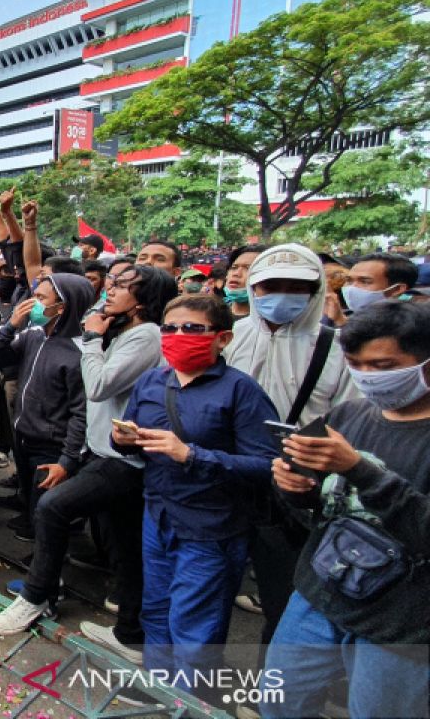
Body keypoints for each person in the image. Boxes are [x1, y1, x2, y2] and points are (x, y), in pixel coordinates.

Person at [264, 301, 430, 719]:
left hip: (402, 623)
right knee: (280, 700)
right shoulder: (349, 414)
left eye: (384, 365)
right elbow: (322, 511)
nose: (368, 377)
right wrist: (295, 490)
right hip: (320, 595)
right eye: (356, 364)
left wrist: (360, 469)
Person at [112, 294, 279, 683]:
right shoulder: (152, 381)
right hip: (158, 514)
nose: (178, 336)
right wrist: (125, 439)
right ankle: (161, 691)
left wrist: (191, 455)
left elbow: (267, 464)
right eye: (170, 328)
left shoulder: (241, 391)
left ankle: (191, 701)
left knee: (195, 628)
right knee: (156, 611)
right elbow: (136, 439)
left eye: (192, 328)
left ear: (222, 338)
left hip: (212, 527)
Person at [223, 244, 359, 648]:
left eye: (294, 287)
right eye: (269, 286)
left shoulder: (336, 348)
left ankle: (271, 691)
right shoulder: (234, 335)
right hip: (226, 472)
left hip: (291, 485)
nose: (280, 296)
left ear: (316, 290)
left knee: (281, 593)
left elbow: (350, 423)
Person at [65, 267, 177, 660]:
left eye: (122, 288)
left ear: (143, 302)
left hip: (120, 459)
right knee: (121, 545)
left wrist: (94, 338)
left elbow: (98, 386)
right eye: (111, 285)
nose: (109, 292)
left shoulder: (146, 337)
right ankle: (130, 626)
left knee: (62, 511)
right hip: (103, 448)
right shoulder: (128, 332)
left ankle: (132, 631)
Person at [0, 273, 93, 544]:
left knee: (46, 511)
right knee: (31, 499)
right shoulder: (33, 336)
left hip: (50, 445)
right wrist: (9, 326)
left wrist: (67, 460)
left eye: (41, 298)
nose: (33, 303)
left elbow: (81, 413)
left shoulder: (78, 353)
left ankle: (45, 574)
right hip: (24, 434)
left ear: (63, 307)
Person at [341, 251, 418, 316]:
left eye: (365, 281)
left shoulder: (413, 326)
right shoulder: (346, 316)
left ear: (397, 289)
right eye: (349, 280)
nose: (352, 288)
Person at [222, 244, 267, 319]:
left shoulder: (270, 323)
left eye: (248, 268)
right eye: (234, 267)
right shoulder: (211, 312)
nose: (236, 273)